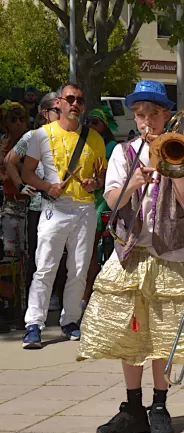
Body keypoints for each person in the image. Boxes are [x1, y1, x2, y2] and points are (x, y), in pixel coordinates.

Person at [77, 80, 184, 433]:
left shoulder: (182, 151)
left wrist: (171, 167)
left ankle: (159, 406)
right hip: (130, 252)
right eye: (140, 114)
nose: (146, 121)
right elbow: (112, 200)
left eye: (153, 114)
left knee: (164, 333)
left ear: (165, 116)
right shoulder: (124, 152)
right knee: (129, 331)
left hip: (168, 253)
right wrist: (134, 181)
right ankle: (133, 408)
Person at [20, 82, 107, 349]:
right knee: (45, 267)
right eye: (70, 99)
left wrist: (95, 182)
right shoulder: (42, 135)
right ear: (58, 102)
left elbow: (102, 175)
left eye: (80, 100)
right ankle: (34, 324)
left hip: (84, 208)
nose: (75, 104)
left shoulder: (94, 138)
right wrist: (47, 186)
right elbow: (26, 173)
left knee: (79, 269)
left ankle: (70, 320)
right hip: (54, 208)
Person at [7, 93, 59, 300]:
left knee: (61, 255)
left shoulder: (71, 136)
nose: (62, 113)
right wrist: (21, 185)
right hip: (39, 205)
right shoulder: (33, 136)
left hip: (66, 205)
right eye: (57, 110)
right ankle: (33, 300)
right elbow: (10, 160)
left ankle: (56, 296)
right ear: (45, 113)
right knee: (38, 255)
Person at [85, 105, 119, 303]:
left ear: (105, 126)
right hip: (85, 197)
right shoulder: (84, 142)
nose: (90, 125)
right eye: (88, 121)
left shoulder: (112, 147)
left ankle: (89, 293)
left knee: (91, 246)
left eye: (95, 122)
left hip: (103, 199)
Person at [1, 103, 29, 260]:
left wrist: (11, 160)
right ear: (5, 122)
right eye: (13, 119)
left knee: (27, 251)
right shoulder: (2, 142)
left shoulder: (31, 142)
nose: (18, 123)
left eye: (22, 119)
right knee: (9, 252)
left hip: (28, 204)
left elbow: (33, 172)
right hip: (9, 202)